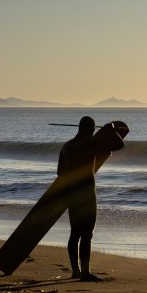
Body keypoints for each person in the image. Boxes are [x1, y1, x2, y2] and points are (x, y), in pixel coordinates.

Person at [57, 116, 103, 282]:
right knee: (87, 234)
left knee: (75, 233)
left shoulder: (67, 146)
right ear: (91, 129)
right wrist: (106, 130)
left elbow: (59, 172)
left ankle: (75, 271)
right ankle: (85, 272)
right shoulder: (91, 144)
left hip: (71, 193)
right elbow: (118, 145)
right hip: (87, 193)